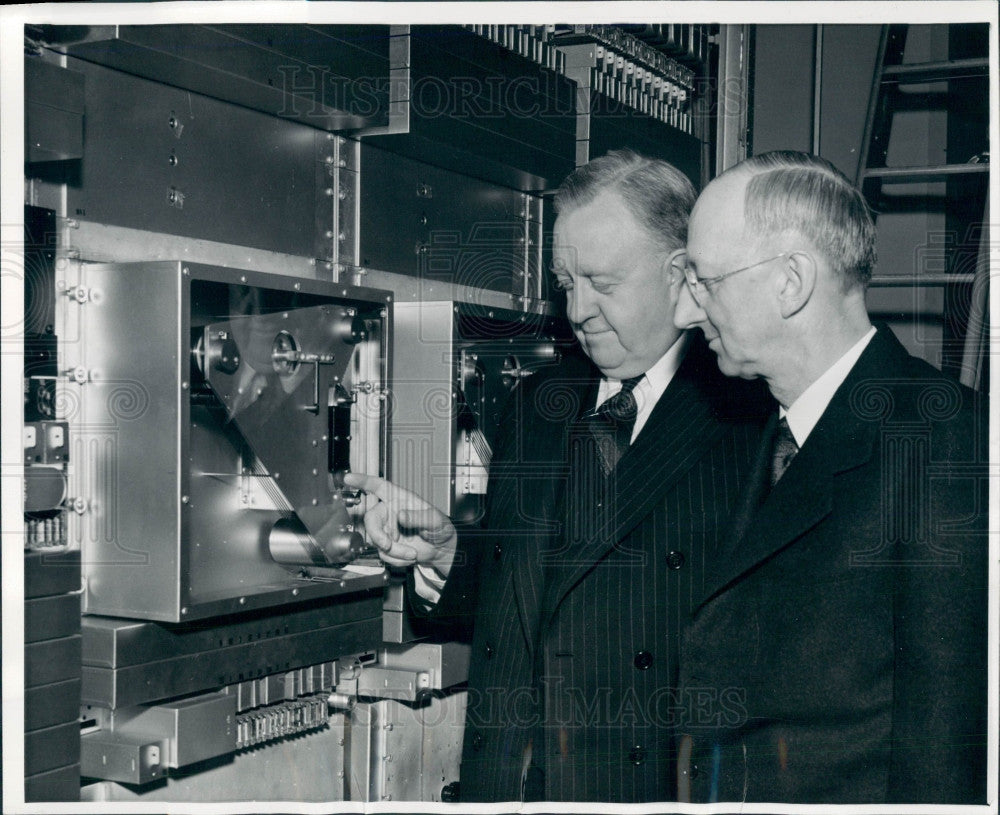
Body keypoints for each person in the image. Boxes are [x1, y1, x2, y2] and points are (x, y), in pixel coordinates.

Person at [345, 149, 771, 803]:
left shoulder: (747, 420)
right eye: (567, 282)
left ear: (682, 275)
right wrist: (448, 552)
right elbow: (524, 599)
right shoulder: (541, 404)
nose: (579, 309)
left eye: (602, 281)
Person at [671, 150, 988, 804]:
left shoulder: (944, 441)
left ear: (790, 281)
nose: (684, 312)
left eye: (704, 280)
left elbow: (947, 751)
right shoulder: (757, 434)